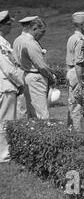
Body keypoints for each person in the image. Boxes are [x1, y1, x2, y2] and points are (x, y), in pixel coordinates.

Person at [13, 16, 55, 120]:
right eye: (42, 31)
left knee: (28, 112)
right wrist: (51, 77)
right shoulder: (30, 42)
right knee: (41, 113)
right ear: (35, 28)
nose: (43, 35)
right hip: (35, 77)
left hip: (23, 74)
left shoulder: (18, 40)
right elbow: (41, 65)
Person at [0, 11, 24, 163]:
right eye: (9, 24)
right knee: (5, 122)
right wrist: (21, 83)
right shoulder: (2, 44)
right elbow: (9, 69)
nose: (11, 27)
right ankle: (4, 155)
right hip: (5, 87)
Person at [66, 12, 84, 133]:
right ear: (82, 25)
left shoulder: (72, 38)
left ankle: (72, 133)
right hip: (77, 73)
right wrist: (82, 83)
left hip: (72, 73)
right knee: (78, 106)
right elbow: (79, 63)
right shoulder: (80, 40)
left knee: (73, 105)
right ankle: (79, 135)